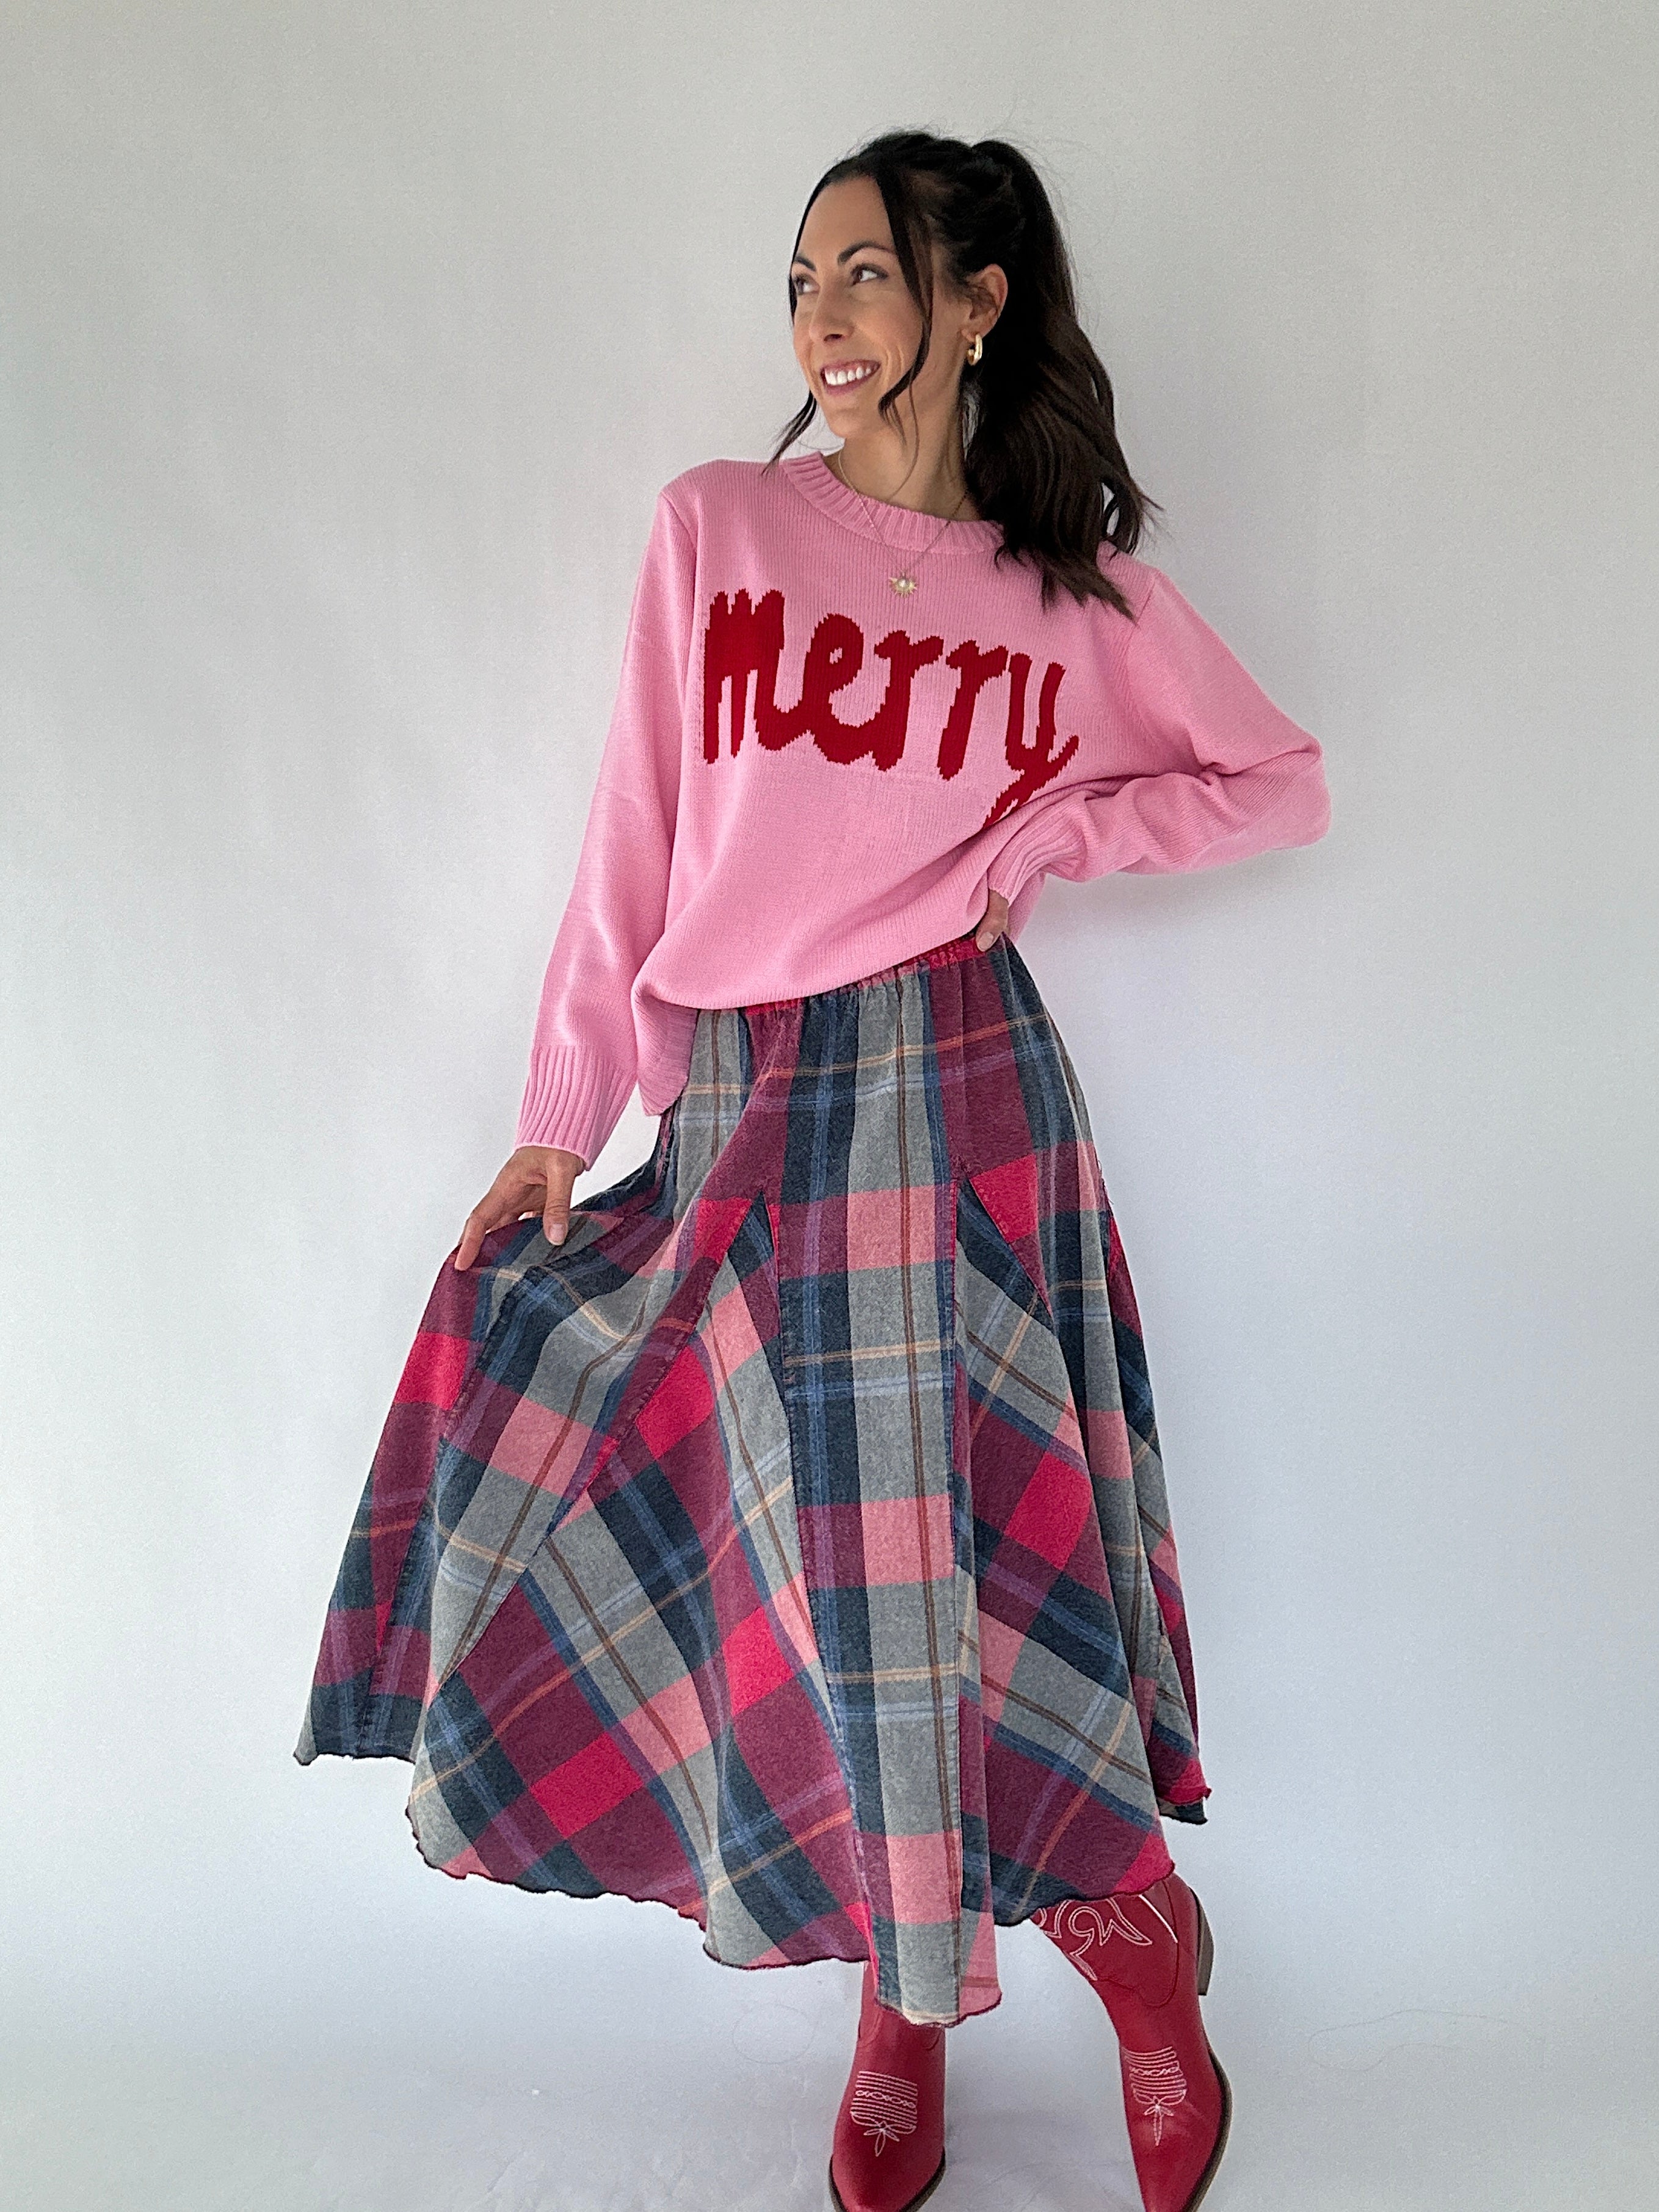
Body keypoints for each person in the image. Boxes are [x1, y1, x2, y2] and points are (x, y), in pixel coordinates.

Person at [296, 126, 1330, 2212]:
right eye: (802, 283)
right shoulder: (722, 529)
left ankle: (1094, 1966)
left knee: (966, 1564)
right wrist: (562, 1117)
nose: (824, 322)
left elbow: (1275, 781)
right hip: (750, 1104)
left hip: (964, 1094)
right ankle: (939, 1983)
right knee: (794, 1582)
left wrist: (1064, 831)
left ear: (977, 302)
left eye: (867, 274)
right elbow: (637, 835)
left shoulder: (1065, 594)